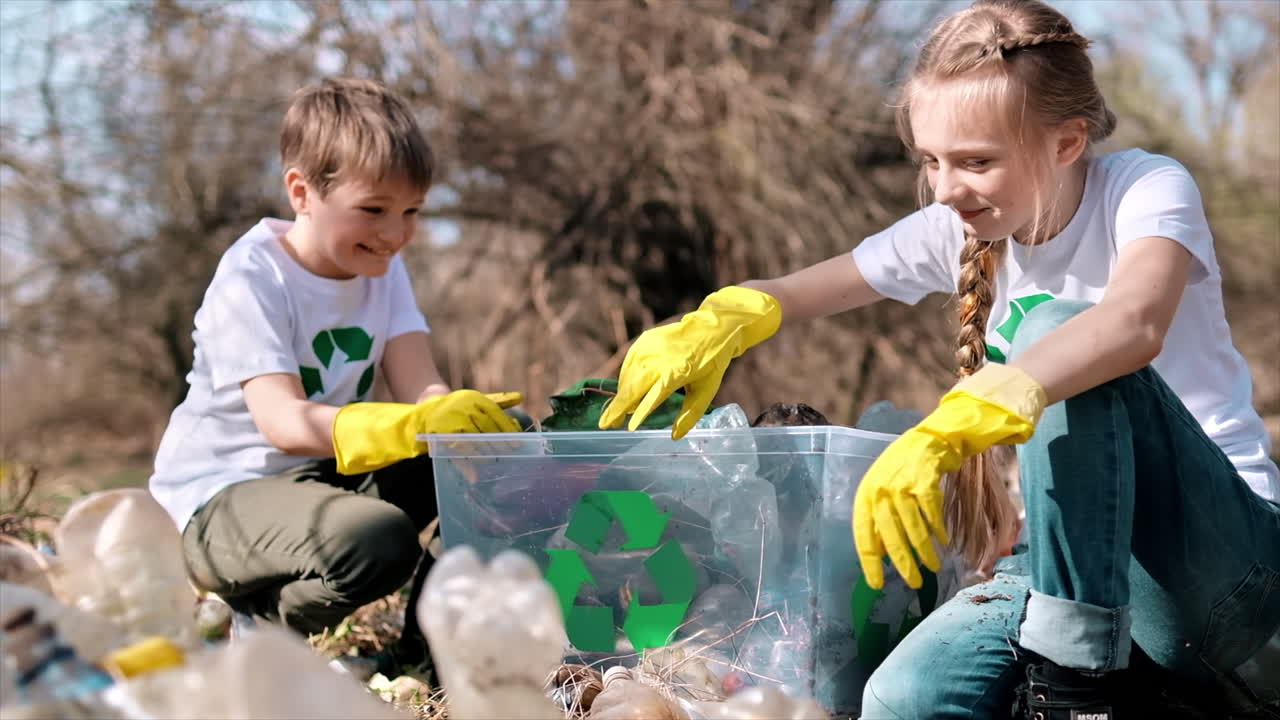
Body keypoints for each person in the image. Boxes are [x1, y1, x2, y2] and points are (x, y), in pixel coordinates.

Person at [597, 0, 1280, 717]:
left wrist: (965, 414)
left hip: (1222, 576)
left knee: (1060, 332)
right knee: (904, 696)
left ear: (1068, 142)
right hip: (1069, 573)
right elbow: (805, 291)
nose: (947, 188)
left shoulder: (1144, 189)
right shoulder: (959, 227)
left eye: (977, 161)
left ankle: (1076, 693)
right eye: (931, 160)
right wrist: (729, 316)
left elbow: (1134, 321)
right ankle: (1081, 671)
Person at [147, 77, 522, 675]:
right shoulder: (252, 276)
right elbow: (284, 423)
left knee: (497, 446)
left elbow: (422, 387)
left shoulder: (383, 268)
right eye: (373, 209)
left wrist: (453, 421)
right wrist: (410, 426)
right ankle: (261, 622)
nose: (395, 233)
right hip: (221, 499)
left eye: (411, 212)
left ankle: (425, 656)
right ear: (302, 192)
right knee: (377, 541)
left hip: (319, 477)